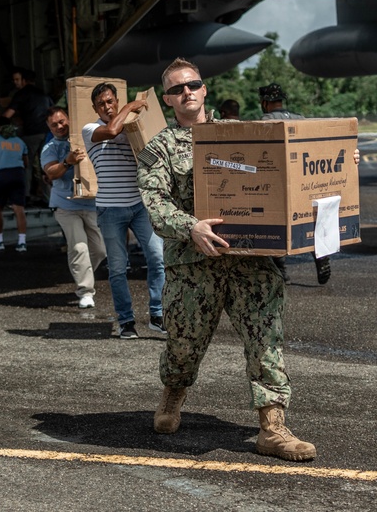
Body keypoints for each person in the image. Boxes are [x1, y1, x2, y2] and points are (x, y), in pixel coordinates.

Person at [137, 58, 317, 462]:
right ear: (167, 99)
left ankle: (272, 427)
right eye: (177, 89)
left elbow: (286, 175)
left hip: (250, 262)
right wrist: (191, 227)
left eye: (193, 84)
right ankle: (173, 393)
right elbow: (155, 203)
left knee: (265, 340)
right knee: (184, 345)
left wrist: (337, 166)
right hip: (193, 264)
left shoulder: (244, 136)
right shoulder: (158, 149)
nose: (187, 92)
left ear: (204, 90)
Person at [81, 82, 165, 340]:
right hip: (110, 210)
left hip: (139, 206)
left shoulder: (133, 128)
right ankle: (126, 322)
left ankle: (157, 315)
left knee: (158, 259)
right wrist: (130, 106)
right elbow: (112, 129)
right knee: (118, 269)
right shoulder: (91, 129)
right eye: (101, 104)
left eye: (111, 102)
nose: (107, 107)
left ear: (115, 101)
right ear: (95, 108)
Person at [258, 82, 331, 285]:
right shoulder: (301, 119)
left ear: (265, 103)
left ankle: (281, 271)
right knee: (308, 222)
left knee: (275, 227)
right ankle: (320, 255)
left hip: (278, 183)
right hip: (305, 181)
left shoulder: (263, 122)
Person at [42, 106, 106, 309]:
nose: (59, 126)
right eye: (54, 125)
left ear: (69, 119)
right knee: (79, 247)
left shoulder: (86, 137)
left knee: (100, 250)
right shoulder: (50, 147)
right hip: (65, 204)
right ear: (49, 128)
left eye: (62, 122)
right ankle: (85, 291)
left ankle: (82, 272)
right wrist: (67, 162)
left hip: (91, 202)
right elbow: (51, 172)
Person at [1, 68, 54, 203]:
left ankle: (25, 195)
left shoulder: (21, 94)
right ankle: (49, 199)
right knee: (45, 164)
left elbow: (8, 115)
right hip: (47, 133)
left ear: (23, 80)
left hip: (31, 134)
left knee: (27, 164)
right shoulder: (44, 94)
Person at [0, 117, 28, 252]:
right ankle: (22, 242)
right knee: (19, 209)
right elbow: (26, 163)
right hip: (18, 174)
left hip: (2, 175)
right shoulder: (20, 142)